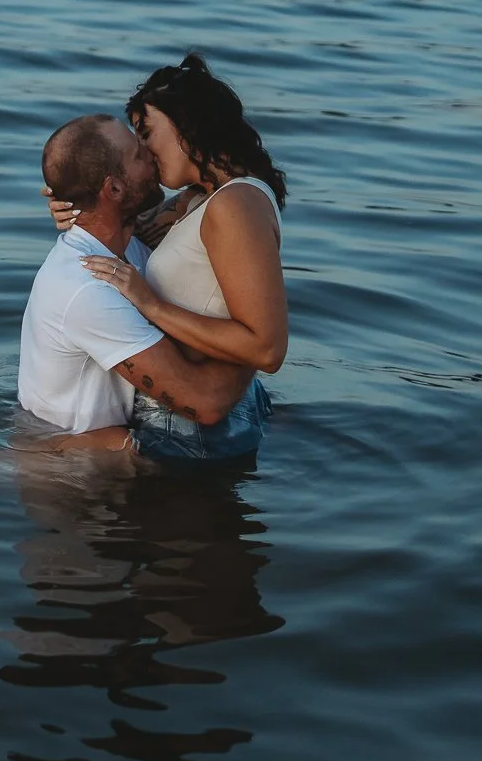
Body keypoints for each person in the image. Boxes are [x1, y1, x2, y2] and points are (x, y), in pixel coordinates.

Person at [46, 54, 289, 462]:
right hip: (200, 417)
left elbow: (267, 350)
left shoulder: (234, 205)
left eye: (146, 133)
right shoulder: (205, 199)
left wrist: (150, 304)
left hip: (189, 429)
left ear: (187, 125)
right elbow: (119, 220)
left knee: (28, 458)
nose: (143, 150)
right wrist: (72, 203)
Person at [17, 113, 256, 452]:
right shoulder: (89, 286)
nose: (151, 153)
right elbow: (205, 404)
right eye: (138, 155)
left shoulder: (128, 247)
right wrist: (254, 345)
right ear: (113, 188)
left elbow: (209, 197)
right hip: (72, 474)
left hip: (116, 449)